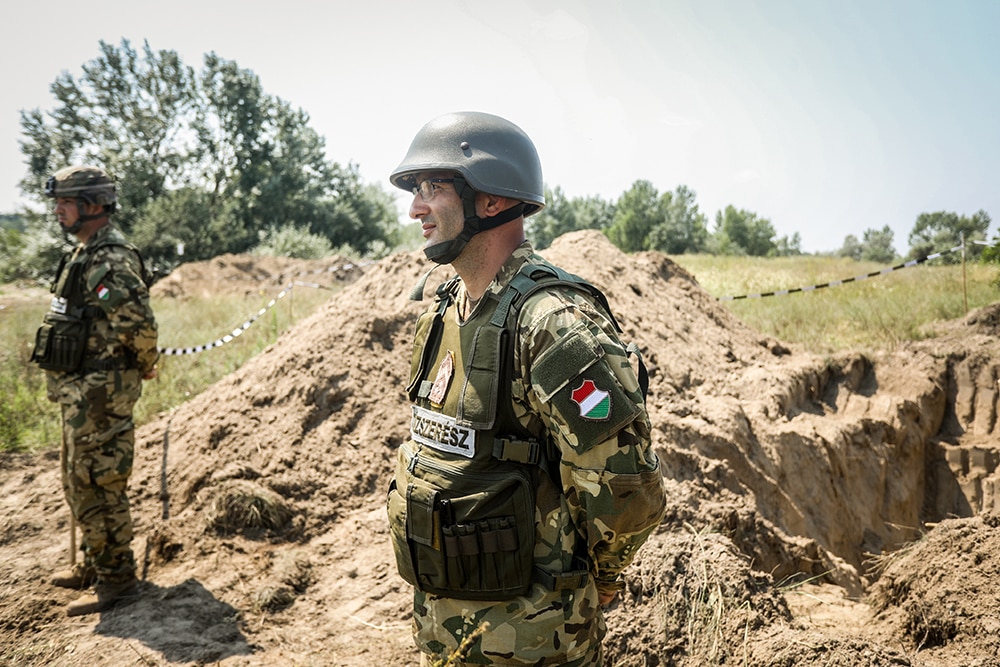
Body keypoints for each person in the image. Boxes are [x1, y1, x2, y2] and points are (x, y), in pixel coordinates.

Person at [386, 112, 666, 666]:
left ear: (492, 201)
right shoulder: (443, 309)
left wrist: (604, 578)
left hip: (533, 642)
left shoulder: (554, 324)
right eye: (416, 190)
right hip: (445, 629)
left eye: (433, 188)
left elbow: (625, 488)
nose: (416, 208)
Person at [30, 165, 159, 617]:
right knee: (77, 482)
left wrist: (146, 364)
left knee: (99, 485)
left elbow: (138, 325)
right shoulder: (84, 253)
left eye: (66, 203)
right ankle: (94, 564)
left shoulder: (109, 258)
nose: (58, 211)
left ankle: (117, 579)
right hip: (81, 394)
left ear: (92, 205)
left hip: (102, 394)